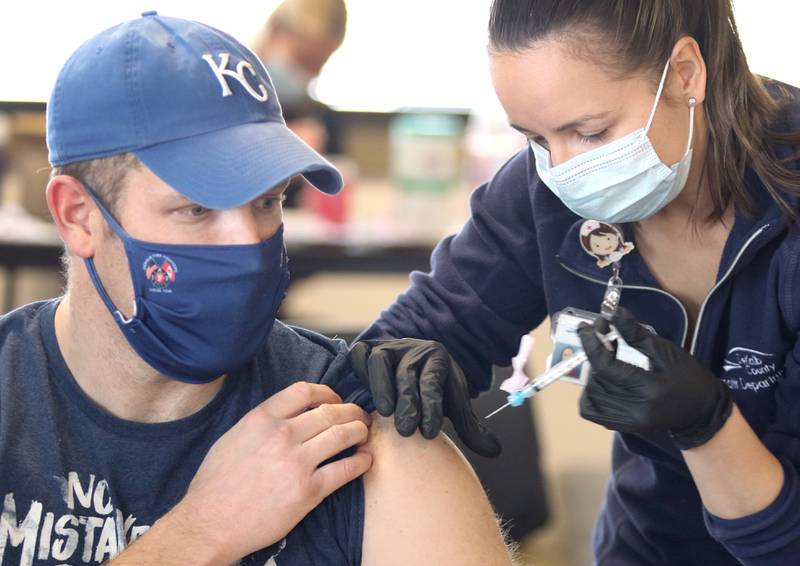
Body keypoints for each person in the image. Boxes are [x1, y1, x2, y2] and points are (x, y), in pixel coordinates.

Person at [0, 12, 513, 566]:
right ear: (78, 216)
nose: (247, 244)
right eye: (196, 208)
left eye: (268, 201)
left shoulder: (352, 428)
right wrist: (203, 532)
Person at [352, 0, 800, 563]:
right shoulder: (543, 193)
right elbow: (422, 327)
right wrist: (398, 362)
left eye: (589, 132)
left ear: (686, 72)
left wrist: (707, 425)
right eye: (536, 139)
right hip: (644, 545)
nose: (562, 172)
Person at [251, 0, 346, 154]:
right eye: (305, 60)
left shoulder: (322, 119)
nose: (309, 73)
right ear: (276, 32)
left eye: (319, 65)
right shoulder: (231, 100)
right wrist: (275, 142)